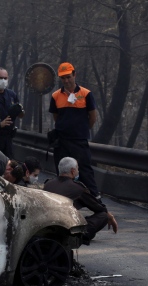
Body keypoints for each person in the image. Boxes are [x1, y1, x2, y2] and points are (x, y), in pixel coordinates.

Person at [49, 62, 100, 198]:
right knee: (62, 173)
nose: (66, 80)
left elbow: (93, 116)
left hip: (79, 140)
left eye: (68, 77)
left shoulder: (86, 94)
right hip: (62, 141)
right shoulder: (55, 96)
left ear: (74, 75)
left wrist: (82, 129)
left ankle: (95, 199)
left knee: (85, 170)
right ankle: (62, 199)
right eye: (63, 78)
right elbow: (56, 117)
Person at [44, 157, 117, 245]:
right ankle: (81, 235)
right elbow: (98, 207)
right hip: (65, 228)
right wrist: (110, 217)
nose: (78, 171)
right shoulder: (78, 188)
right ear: (73, 171)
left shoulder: (48, 184)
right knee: (103, 216)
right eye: (78, 168)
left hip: (45, 224)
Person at [0, 67, 23, 159]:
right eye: (0, 78)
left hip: (9, 138)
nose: (3, 80)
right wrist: (0, 124)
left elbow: (20, 113)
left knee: (9, 165)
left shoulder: (12, 95)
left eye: (5, 78)